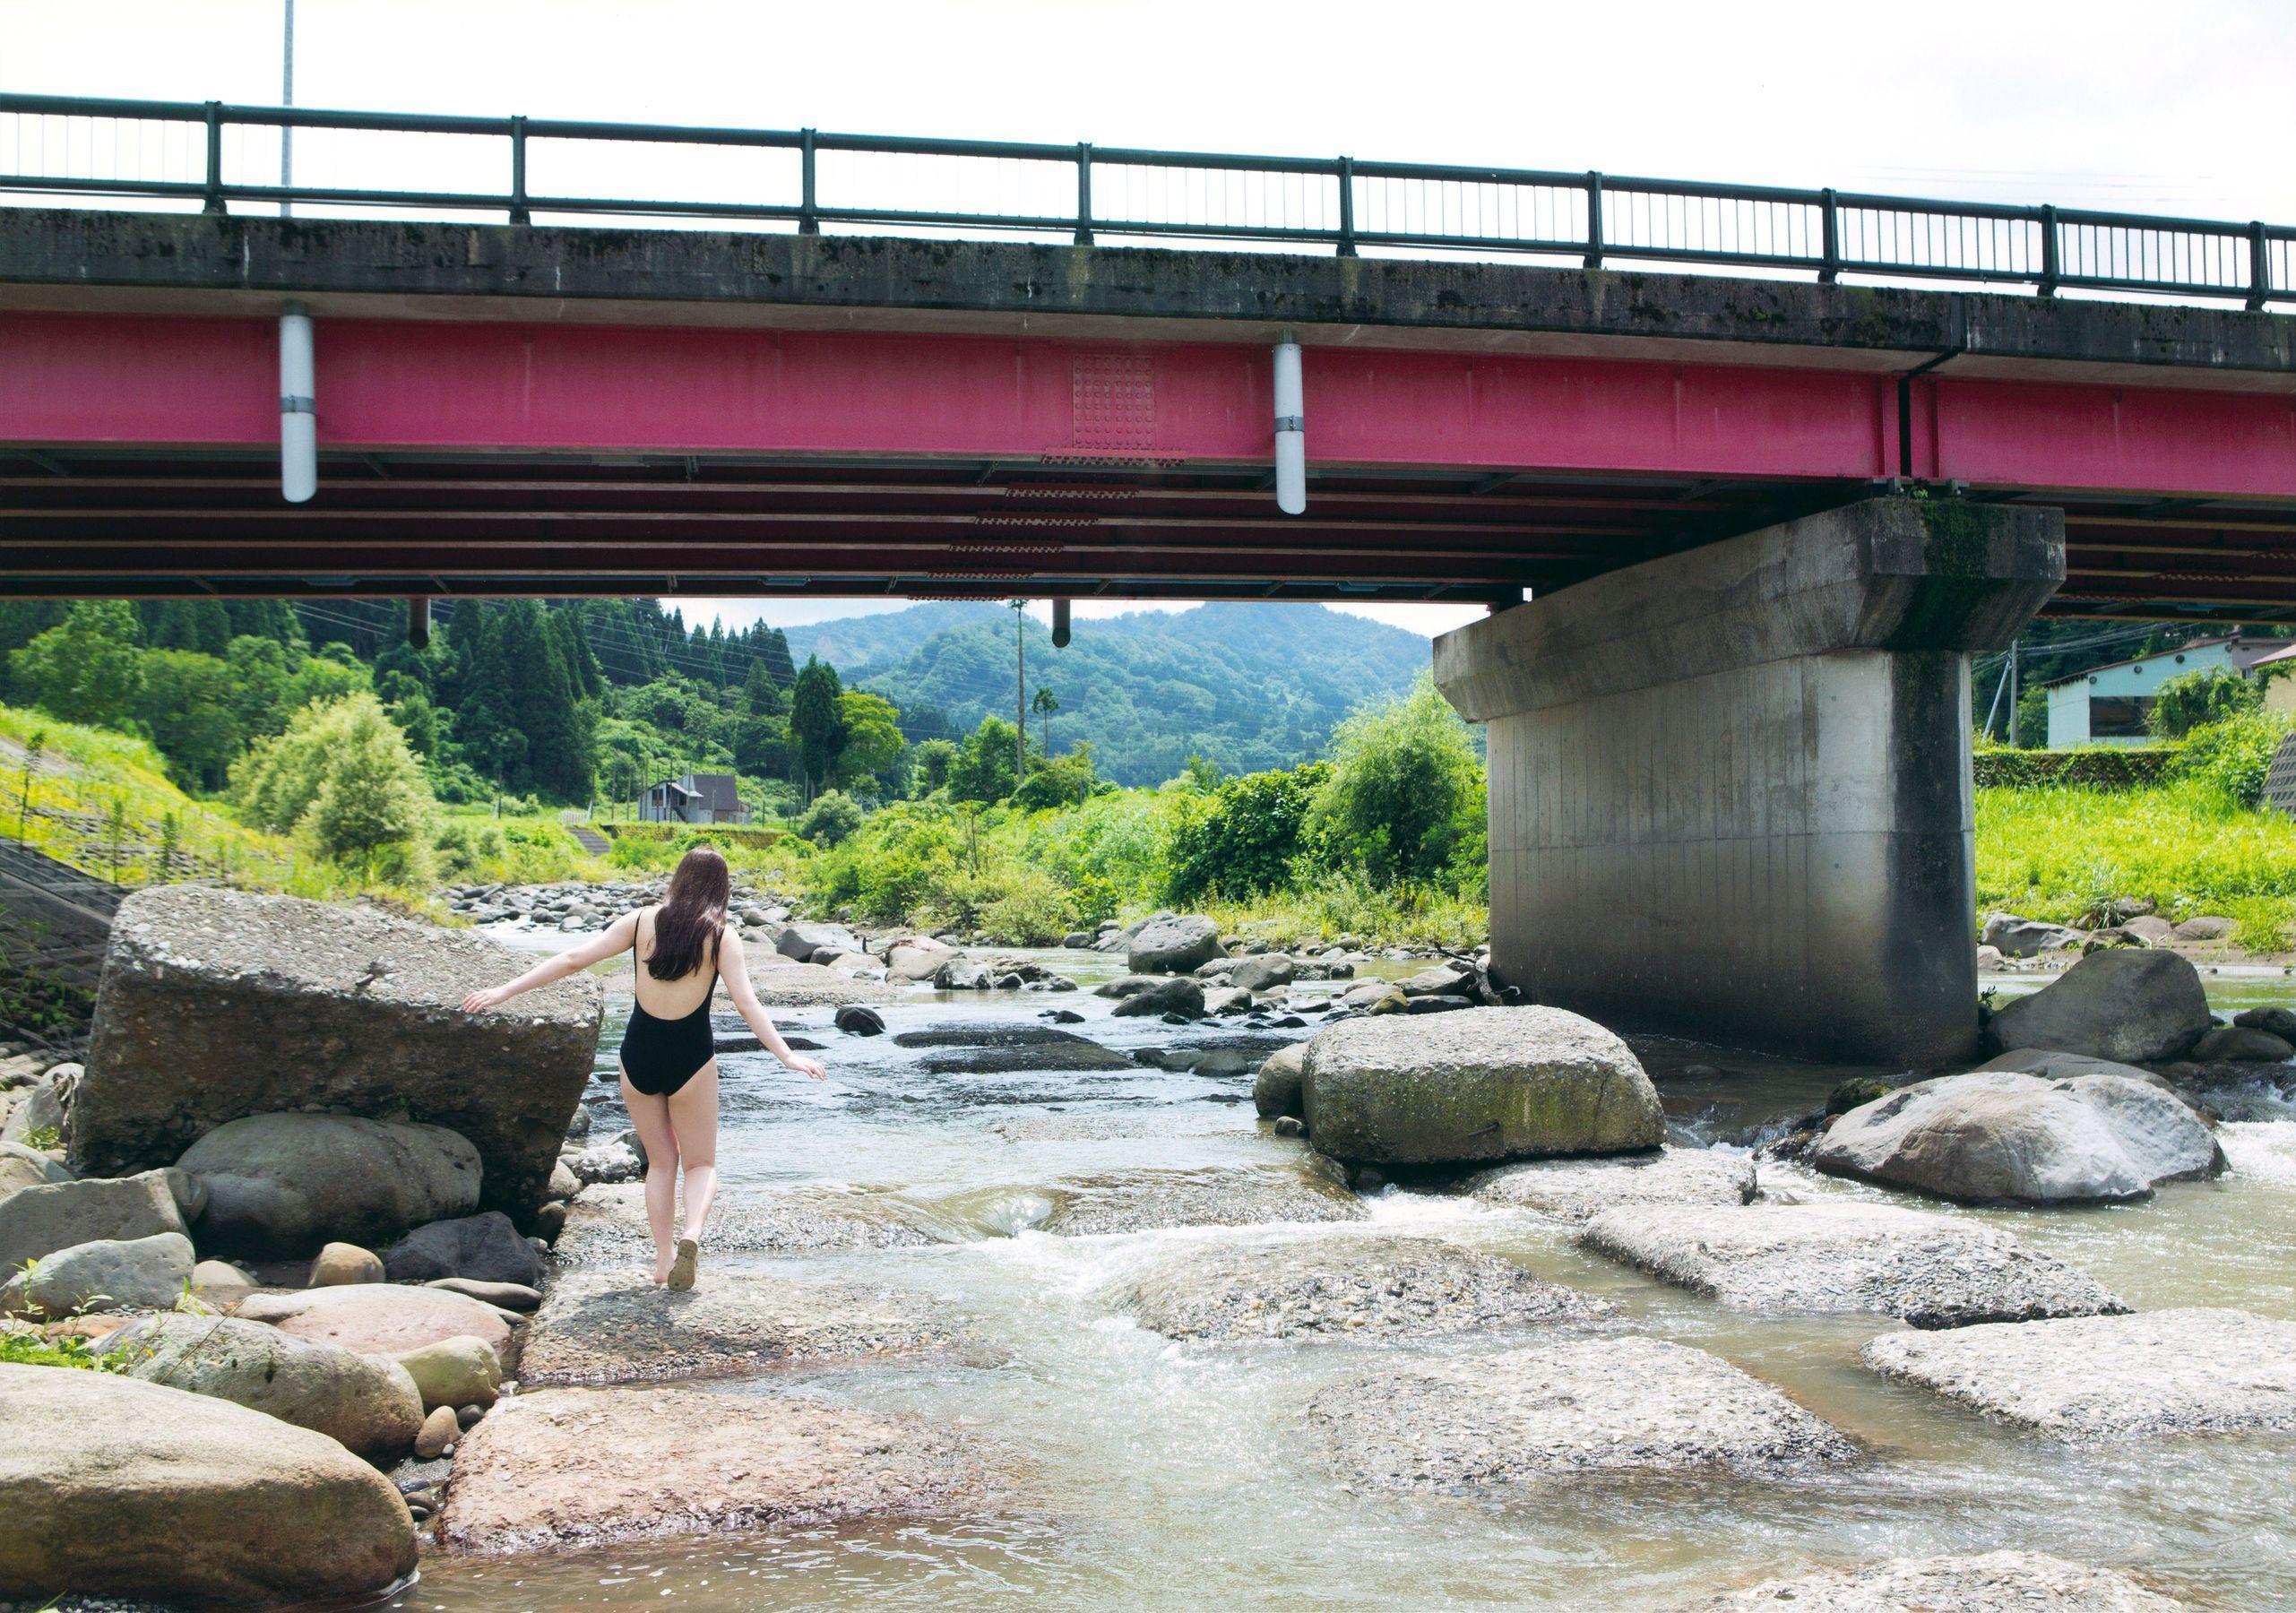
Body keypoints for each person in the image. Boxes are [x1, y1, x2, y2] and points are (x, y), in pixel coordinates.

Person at [461, 845, 825, 1290]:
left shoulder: (639, 921)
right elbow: (747, 1004)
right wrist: (787, 1056)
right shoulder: (721, 935)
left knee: (660, 1163)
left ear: (679, 879)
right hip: (690, 1057)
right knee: (701, 1164)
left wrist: (503, 991)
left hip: (638, 1056)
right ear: (720, 888)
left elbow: (573, 959)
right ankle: (691, 1235)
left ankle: (662, 1259)